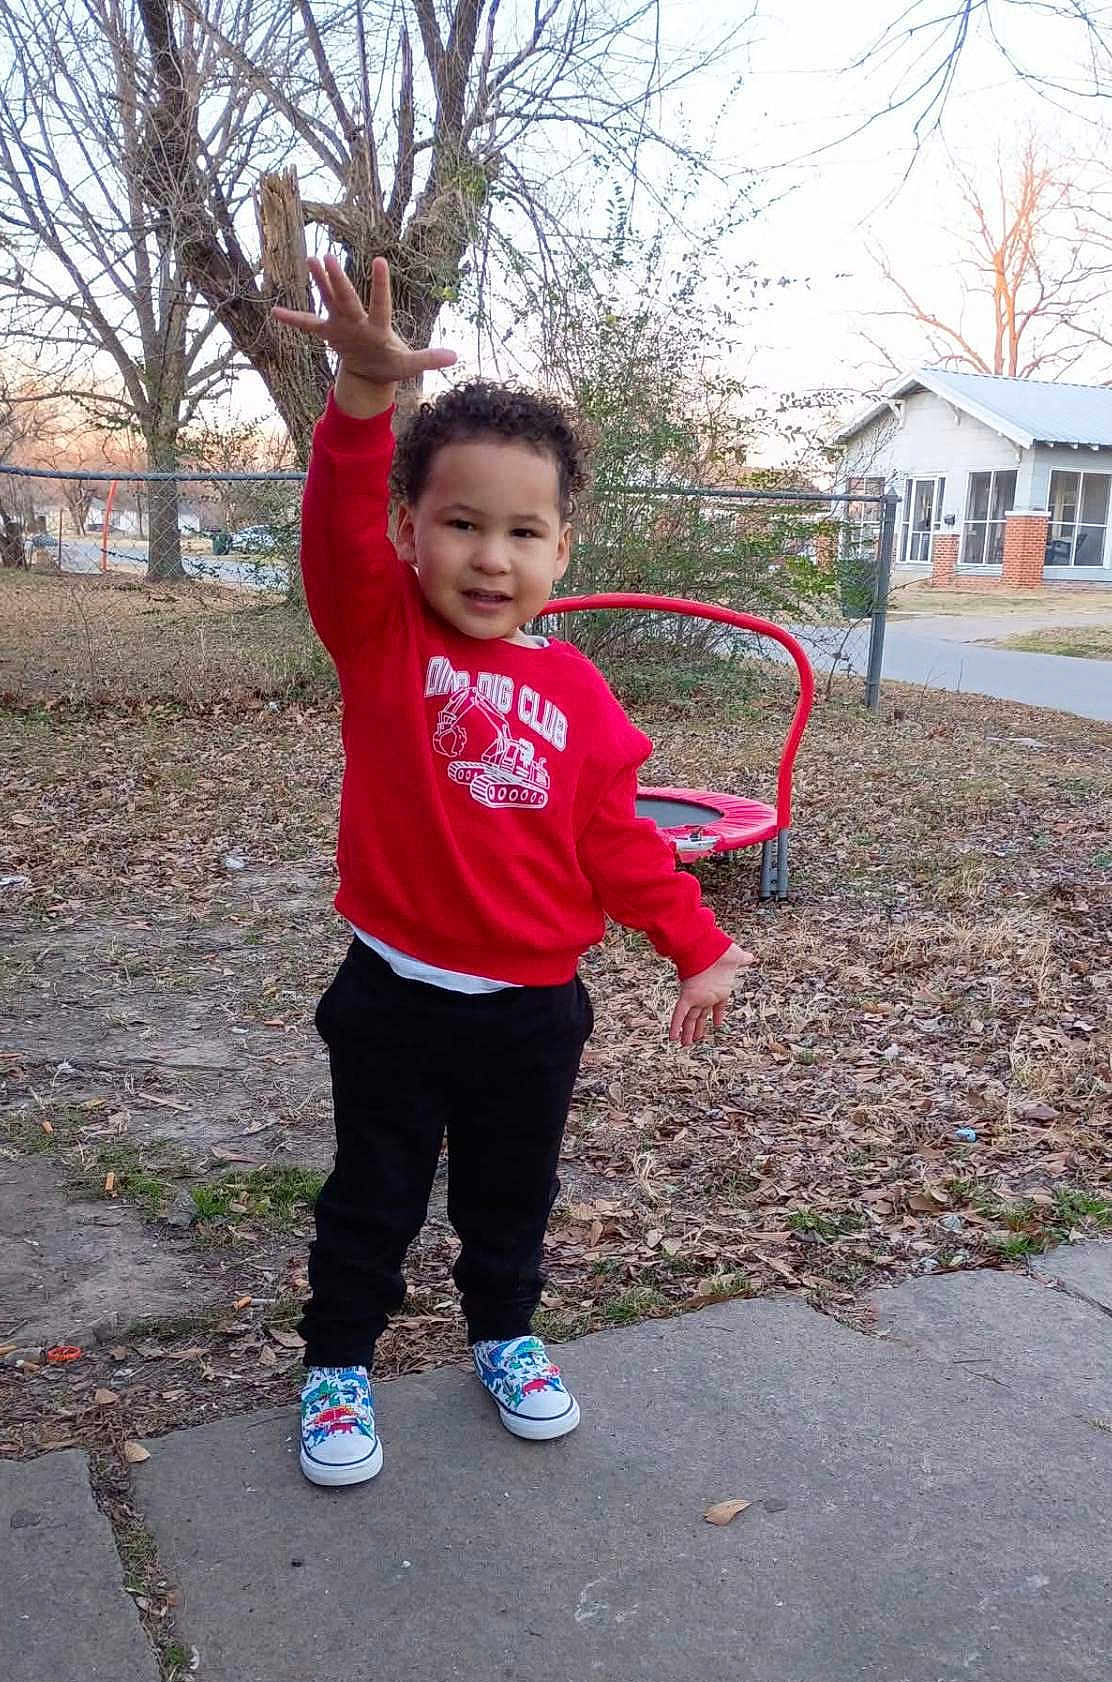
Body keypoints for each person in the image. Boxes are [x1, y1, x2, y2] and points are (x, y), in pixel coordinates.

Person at [273, 256, 752, 1489]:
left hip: (535, 1013)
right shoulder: (381, 636)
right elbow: (331, 530)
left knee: (510, 1196)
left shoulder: (581, 692)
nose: (491, 557)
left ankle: (504, 1335)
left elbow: (619, 840)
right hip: (393, 999)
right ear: (409, 532)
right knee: (373, 1195)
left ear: (560, 549)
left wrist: (696, 946)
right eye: (463, 524)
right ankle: (338, 1365)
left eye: (522, 532)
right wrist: (363, 404)